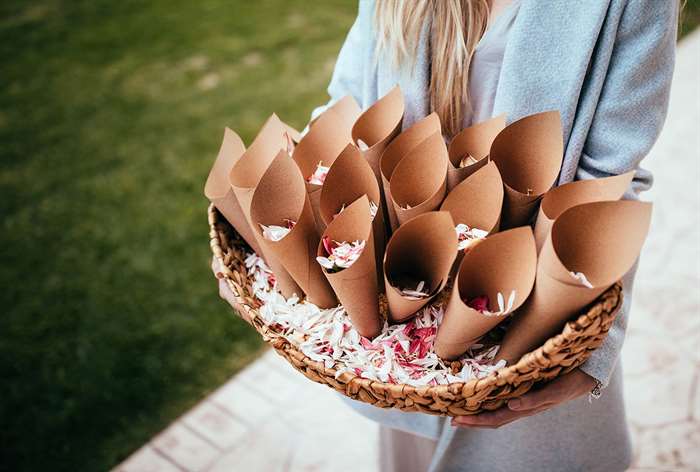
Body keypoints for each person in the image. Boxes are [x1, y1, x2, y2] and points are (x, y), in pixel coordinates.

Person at [216, 1, 678, 470]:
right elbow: (344, 111)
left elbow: (610, 184)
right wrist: (269, 244)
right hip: (392, 327)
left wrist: (594, 353)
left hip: (524, 320)